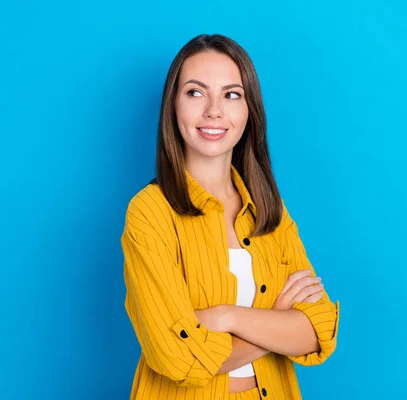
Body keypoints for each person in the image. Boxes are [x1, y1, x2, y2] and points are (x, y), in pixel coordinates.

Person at [120, 33, 340, 400]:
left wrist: (227, 316)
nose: (214, 111)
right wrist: (274, 321)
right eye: (195, 92)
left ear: (249, 108)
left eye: (231, 94)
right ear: (173, 106)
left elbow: (319, 330)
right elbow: (176, 357)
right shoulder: (149, 213)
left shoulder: (270, 208)